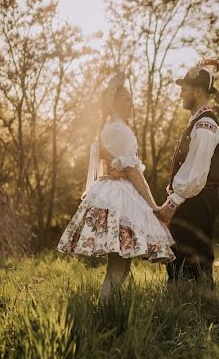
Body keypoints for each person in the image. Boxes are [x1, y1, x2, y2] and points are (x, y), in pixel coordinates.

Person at [57, 71, 174, 300]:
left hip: (116, 194)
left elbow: (124, 166)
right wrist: (154, 207)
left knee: (122, 263)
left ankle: (114, 308)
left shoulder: (115, 128)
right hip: (120, 198)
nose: (132, 102)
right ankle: (106, 311)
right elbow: (132, 171)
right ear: (115, 102)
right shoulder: (118, 130)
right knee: (118, 265)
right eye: (128, 98)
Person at [155, 58, 219, 287]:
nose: (180, 94)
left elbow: (195, 174)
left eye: (184, 89)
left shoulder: (206, 125)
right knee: (182, 255)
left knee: (192, 257)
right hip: (193, 198)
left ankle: (198, 308)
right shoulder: (197, 122)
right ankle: (187, 305)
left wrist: (171, 204)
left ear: (198, 91)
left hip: (198, 200)